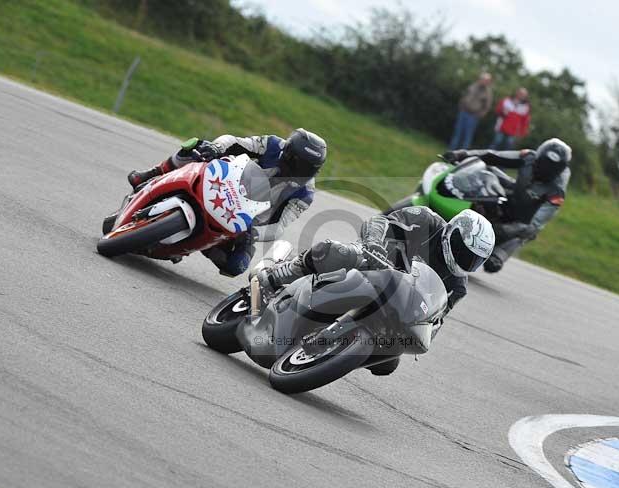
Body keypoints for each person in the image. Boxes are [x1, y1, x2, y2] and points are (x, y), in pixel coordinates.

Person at [257, 207, 495, 375]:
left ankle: (332, 355)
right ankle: (279, 275)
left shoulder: (458, 286)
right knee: (335, 252)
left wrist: (423, 330)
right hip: (372, 264)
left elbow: (436, 319)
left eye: (474, 260)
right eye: (463, 251)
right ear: (452, 230)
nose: (466, 260)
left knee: (388, 363)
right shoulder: (426, 220)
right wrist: (374, 244)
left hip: (397, 303)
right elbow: (380, 222)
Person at [127, 128, 327, 276]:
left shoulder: (305, 193)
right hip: (224, 184)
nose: (302, 171)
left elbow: (279, 226)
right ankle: (153, 173)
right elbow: (235, 142)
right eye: (299, 164)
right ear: (289, 153)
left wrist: (253, 232)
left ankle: (192, 245)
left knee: (236, 266)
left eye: (309, 168)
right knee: (196, 146)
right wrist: (216, 147)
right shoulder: (273, 145)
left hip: (241, 221)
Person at [443, 138, 572, 272]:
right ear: (538, 157)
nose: (545, 170)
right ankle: (451, 209)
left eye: (551, 168)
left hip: (520, 221)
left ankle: (498, 255)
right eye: (543, 164)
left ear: (559, 170)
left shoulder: (557, 191)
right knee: (486, 171)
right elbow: (492, 156)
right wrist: (462, 154)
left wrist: (500, 230)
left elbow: (535, 225)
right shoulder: (528, 156)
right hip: (513, 196)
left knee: (528, 232)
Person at [448, 72, 493, 150]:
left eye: (486, 80)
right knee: (457, 133)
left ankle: (462, 156)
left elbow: (487, 107)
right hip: (463, 112)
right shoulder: (473, 86)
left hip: (473, 116)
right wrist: (461, 105)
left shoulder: (488, 93)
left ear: (488, 82)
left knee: (467, 136)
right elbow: (465, 95)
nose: (483, 81)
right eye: (482, 79)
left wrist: (479, 115)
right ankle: (450, 152)